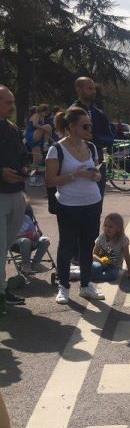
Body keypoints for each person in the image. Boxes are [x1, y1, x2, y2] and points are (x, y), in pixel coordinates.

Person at [45, 107, 105, 304]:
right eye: (85, 125)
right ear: (71, 127)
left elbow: (98, 175)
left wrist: (94, 175)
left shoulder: (92, 147)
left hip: (92, 202)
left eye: (90, 125)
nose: (89, 128)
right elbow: (50, 181)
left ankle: (86, 285)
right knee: (67, 246)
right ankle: (63, 287)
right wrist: (74, 175)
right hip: (68, 205)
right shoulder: (57, 149)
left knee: (88, 246)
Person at [0, 86, 30, 313]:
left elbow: (21, 155)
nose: (12, 106)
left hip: (16, 194)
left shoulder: (12, 128)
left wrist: (24, 167)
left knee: (6, 245)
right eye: (8, 102)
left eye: (12, 102)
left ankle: (2, 290)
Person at [70, 77, 114, 197]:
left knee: (97, 199)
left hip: (97, 162)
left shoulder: (99, 114)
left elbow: (110, 138)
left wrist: (94, 138)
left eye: (94, 89)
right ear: (78, 89)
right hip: (75, 161)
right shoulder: (71, 113)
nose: (94, 91)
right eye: (90, 88)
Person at [14, 196, 51, 274]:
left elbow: (34, 231)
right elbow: (9, 235)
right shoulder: (9, 219)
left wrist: (36, 234)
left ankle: (35, 263)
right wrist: (24, 235)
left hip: (30, 241)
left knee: (45, 240)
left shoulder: (27, 218)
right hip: (14, 242)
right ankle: (26, 265)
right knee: (25, 240)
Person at [91, 213, 130, 282]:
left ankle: (91, 276)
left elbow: (127, 256)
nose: (107, 228)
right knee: (95, 267)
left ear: (119, 228)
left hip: (114, 266)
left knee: (112, 275)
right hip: (101, 263)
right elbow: (93, 254)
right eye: (105, 226)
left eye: (110, 227)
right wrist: (100, 260)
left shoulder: (123, 240)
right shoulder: (101, 238)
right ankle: (89, 274)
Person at [24, 104, 53, 173]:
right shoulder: (36, 115)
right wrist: (44, 128)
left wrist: (52, 141)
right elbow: (35, 125)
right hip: (31, 135)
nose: (46, 114)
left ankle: (32, 175)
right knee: (47, 126)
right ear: (41, 111)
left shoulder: (42, 118)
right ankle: (45, 145)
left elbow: (45, 131)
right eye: (45, 112)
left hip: (37, 137)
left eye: (47, 113)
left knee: (37, 159)